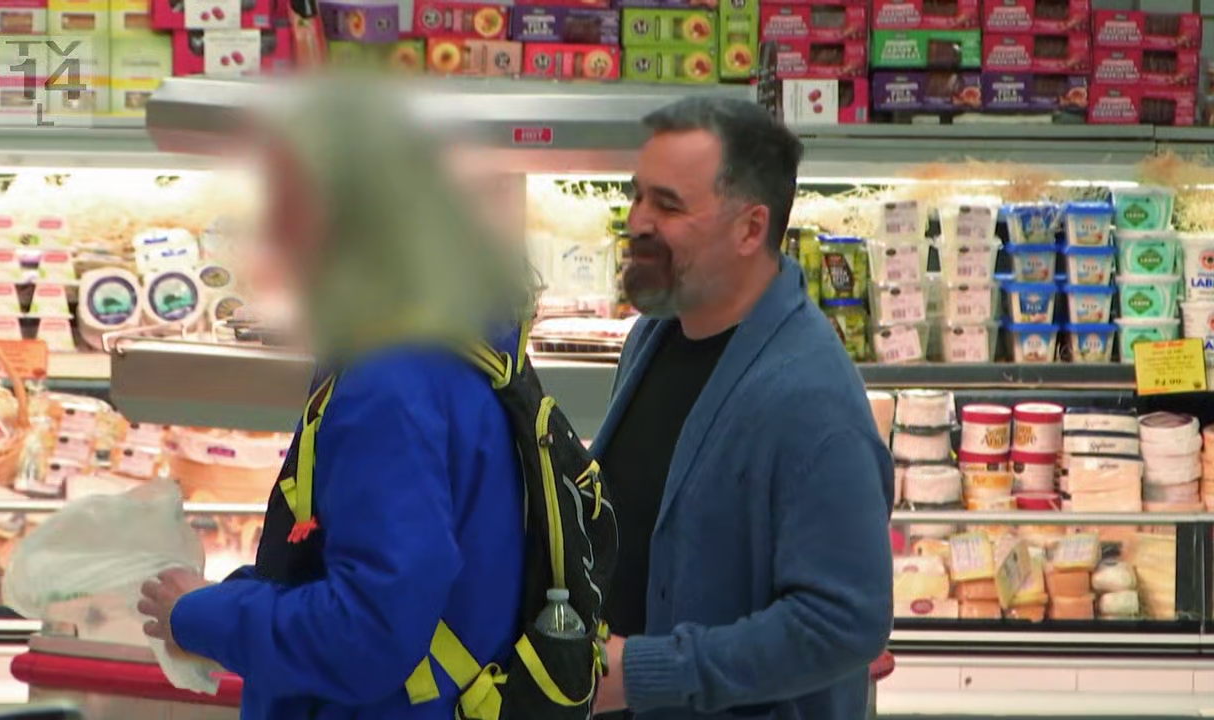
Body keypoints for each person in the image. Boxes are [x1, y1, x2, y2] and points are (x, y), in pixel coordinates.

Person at [136, 80, 535, 720]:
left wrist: (201, 615)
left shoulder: (390, 381)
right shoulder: (457, 337)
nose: (271, 234)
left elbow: (368, 633)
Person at [592, 97, 894, 720]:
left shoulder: (813, 399)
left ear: (751, 229)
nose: (637, 221)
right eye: (637, 195)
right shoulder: (655, 335)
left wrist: (643, 674)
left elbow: (844, 623)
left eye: (668, 205)